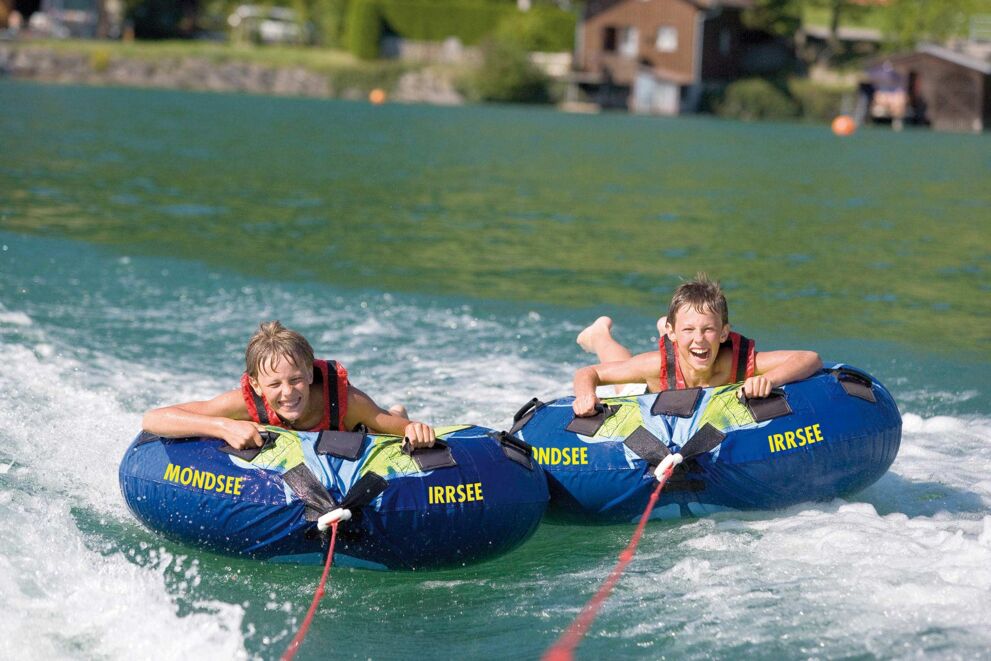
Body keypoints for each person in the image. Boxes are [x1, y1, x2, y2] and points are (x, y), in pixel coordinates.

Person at [143, 321, 436, 450]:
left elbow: (408, 431)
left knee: (382, 424)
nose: (288, 392)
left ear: (310, 374)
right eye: (275, 384)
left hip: (353, 427)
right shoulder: (244, 405)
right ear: (256, 386)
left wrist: (414, 428)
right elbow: (152, 419)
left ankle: (397, 408)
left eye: (296, 379)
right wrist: (224, 427)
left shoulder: (347, 403)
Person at [572, 273, 822, 416]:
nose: (701, 339)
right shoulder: (656, 365)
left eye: (709, 329)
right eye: (690, 330)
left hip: (682, 349)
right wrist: (586, 396)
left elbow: (809, 357)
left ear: (724, 332)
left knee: (691, 345)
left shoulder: (736, 363)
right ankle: (599, 334)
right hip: (653, 391)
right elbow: (589, 373)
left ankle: (676, 332)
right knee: (623, 376)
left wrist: (768, 380)